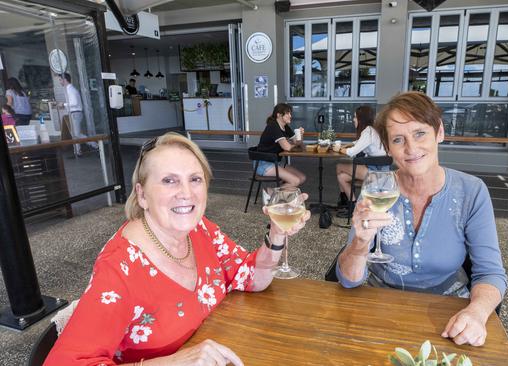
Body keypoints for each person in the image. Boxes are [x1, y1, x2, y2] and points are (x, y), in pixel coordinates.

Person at [44, 132, 310, 365]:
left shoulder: (200, 229)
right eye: (169, 180)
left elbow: (251, 276)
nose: (186, 193)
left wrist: (276, 235)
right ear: (142, 195)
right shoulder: (120, 268)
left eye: (195, 179)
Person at [336, 92, 507, 347]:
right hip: (379, 307)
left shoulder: (471, 191)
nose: (411, 148)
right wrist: (360, 244)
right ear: (388, 148)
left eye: (420, 133)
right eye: (398, 139)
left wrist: (477, 312)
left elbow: (491, 273)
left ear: (439, 132)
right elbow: (349, 280)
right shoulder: (378, 189)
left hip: (447, 314)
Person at [335, 105, 387, 211]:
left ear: (361, 119)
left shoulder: (368, 131)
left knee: (339, 166)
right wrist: (347, 145)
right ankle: (352, 205)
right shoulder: (373, 129)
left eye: (355, 117)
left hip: (376, 171)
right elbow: (360, 142)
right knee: (342, 177)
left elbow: (352, 152)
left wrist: (338, 149)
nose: (353, 120)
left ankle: (343, 200)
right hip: (381, 169)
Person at [256, 103, 306, 189]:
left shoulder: (285, 127)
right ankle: (271, 193)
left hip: (276, 162)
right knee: (295, 181)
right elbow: (287, 147)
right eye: (287, 113)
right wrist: (294, 145)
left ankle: (279, 196)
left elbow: (298, 143)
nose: (290, 116)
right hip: (264, 164)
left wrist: (300, 135)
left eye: (290, 113)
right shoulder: (273, 126)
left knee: (302, 178)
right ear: (279, 115)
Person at [58, 72, 98, 157]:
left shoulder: (70, 90)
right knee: (74, 134)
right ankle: (77, 151)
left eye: (60, 80)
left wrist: (64, 104)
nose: (60, 82)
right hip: (75, 113)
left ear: (65, 80)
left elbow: (74, 103)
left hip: (75, 113)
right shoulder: (70, 89)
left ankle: (95, 145)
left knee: (77, 134)